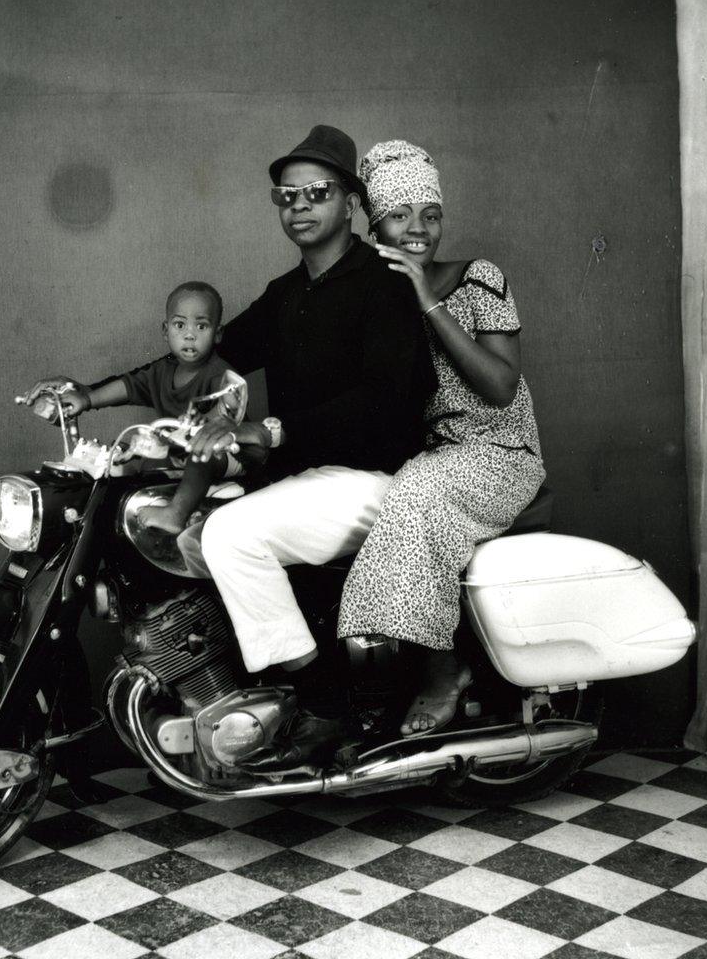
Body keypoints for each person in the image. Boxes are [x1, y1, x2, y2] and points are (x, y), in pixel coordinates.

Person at [183, 126, 437, 771]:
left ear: (349, 200)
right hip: (307, 479)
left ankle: (327, 706)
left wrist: (269, 430)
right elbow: (212, 358)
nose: (299, 205)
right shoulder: (286, 294)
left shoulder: (385, 283)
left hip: (379, 481)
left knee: (233, 536)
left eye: (316, 192)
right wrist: (92, 394)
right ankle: (227, 691)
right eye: (284, 195)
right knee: (185, 530)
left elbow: (385, 400)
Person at [336, 140, 546, 735]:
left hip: (501, 452)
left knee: (417, 491)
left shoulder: (480, 278)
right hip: (433, 455)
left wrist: (429, 300)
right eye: (399, 216)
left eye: (430, 214)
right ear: (375, 225)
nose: (418, 229)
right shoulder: (375, 296)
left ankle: (441, 671)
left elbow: (501, 387)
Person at [33, 281, 247, 535]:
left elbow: (229, 409)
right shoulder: (161, 371)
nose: (190, 335)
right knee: (124, 454)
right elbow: (128, 386)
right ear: (165, 330)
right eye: (180, 325)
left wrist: (208, 419)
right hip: (179, 453)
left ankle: (176, 513)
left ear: (218, 333)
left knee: (203, 454)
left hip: (228, 453)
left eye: (201, 326)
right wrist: (87, 400)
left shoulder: (219, 374)